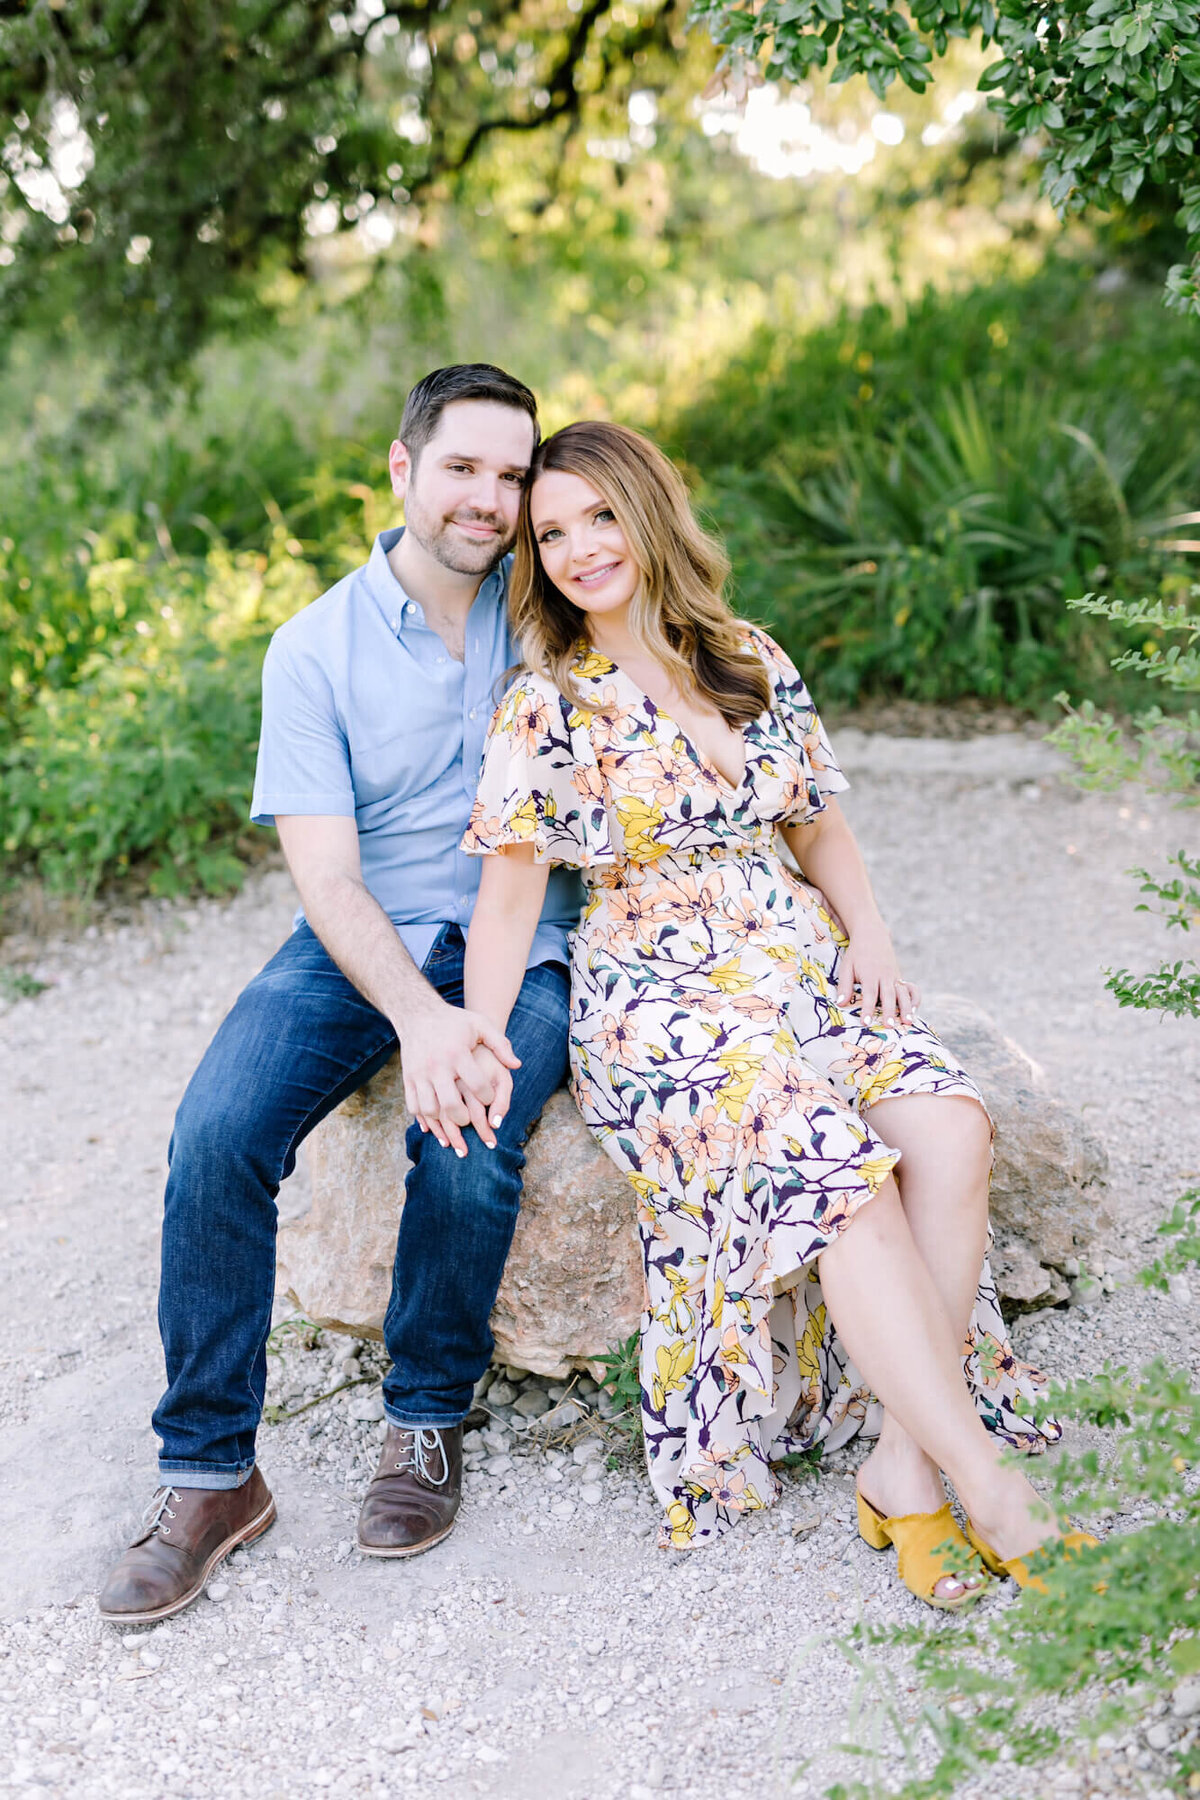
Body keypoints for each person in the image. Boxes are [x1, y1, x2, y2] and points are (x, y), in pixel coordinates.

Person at [454, 420, 1094, 1608]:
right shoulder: (547, 705)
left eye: (600, 516)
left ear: (648, 512)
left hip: (795, 965)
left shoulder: (747, 656)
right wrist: (477, 1037)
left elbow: (821, 829)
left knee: (953, 1126)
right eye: (551, 534)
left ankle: (904, 1468)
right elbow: (506, 902)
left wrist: (877, 941)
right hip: (663, 1001)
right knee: (832, 1172)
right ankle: (991, 1486)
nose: (580, 548)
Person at [99, 365, 583, 1625]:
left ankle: (425, 1422)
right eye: (464, 467)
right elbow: (323, 871)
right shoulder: (311, 647)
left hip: (519, 941)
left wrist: (466, 1022)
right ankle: (212, 1476)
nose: (490, 498)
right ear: (402, 469)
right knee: (214, 1135)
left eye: (513, 475)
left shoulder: (553, 611)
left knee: (469, 1139)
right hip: (360, 933)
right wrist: (419, 1019)